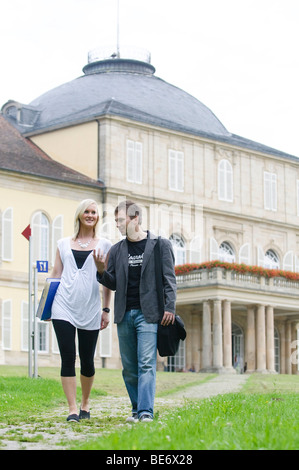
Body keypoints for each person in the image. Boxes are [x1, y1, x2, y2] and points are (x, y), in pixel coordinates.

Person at [93, 200, 176, 423]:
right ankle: (137, 409)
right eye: (116, 221)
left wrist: (169, 306)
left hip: (148, 314)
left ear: (135, 218)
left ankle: (146, 412)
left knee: (147, 362)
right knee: (129, 368)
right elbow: (112, 283)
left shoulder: (160, 245)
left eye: (121, 220)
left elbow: (169, 279)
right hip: (124, 314)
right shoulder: (117, 250)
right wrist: (101, 271)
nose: (117, 225)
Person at [51, 199, 112, 422]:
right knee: (68, 357)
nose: (90, 215)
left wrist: (106, 309)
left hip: (90, 308)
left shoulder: (105, 245)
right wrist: (47, 306)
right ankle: (72, 409)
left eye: (93, 212)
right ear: (79, 215)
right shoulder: (62, 244)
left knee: (87, 359)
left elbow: (108, 281)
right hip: (62, 306)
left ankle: (86, 403)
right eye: (86, 211)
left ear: (98, 217)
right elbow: (56, 275)